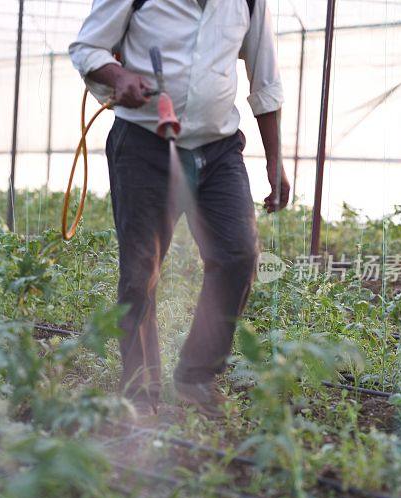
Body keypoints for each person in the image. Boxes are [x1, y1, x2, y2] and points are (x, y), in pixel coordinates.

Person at [69, 0, 290, 417]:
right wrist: (121, 76)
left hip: (218, 148)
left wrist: (275, 162)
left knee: (238, 254)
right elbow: (88, 48)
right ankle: (141, 389)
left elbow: (265, 80)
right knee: (140, 271)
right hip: (144, 145)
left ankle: (196, 376)